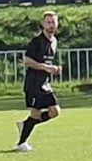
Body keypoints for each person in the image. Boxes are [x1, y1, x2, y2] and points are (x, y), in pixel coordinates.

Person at [15, 10, 62, 151]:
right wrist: (45, 67)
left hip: (45, 83)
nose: (51, 25)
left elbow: (47, 62)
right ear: (43, 24)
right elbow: (27, 60)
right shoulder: (37, 41)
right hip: (33, 84)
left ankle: (26, 124)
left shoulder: (54, 42)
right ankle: (21, 143)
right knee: (35, 113)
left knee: (55, 111)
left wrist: (54, 69)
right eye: (48, 22)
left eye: (53, 22)